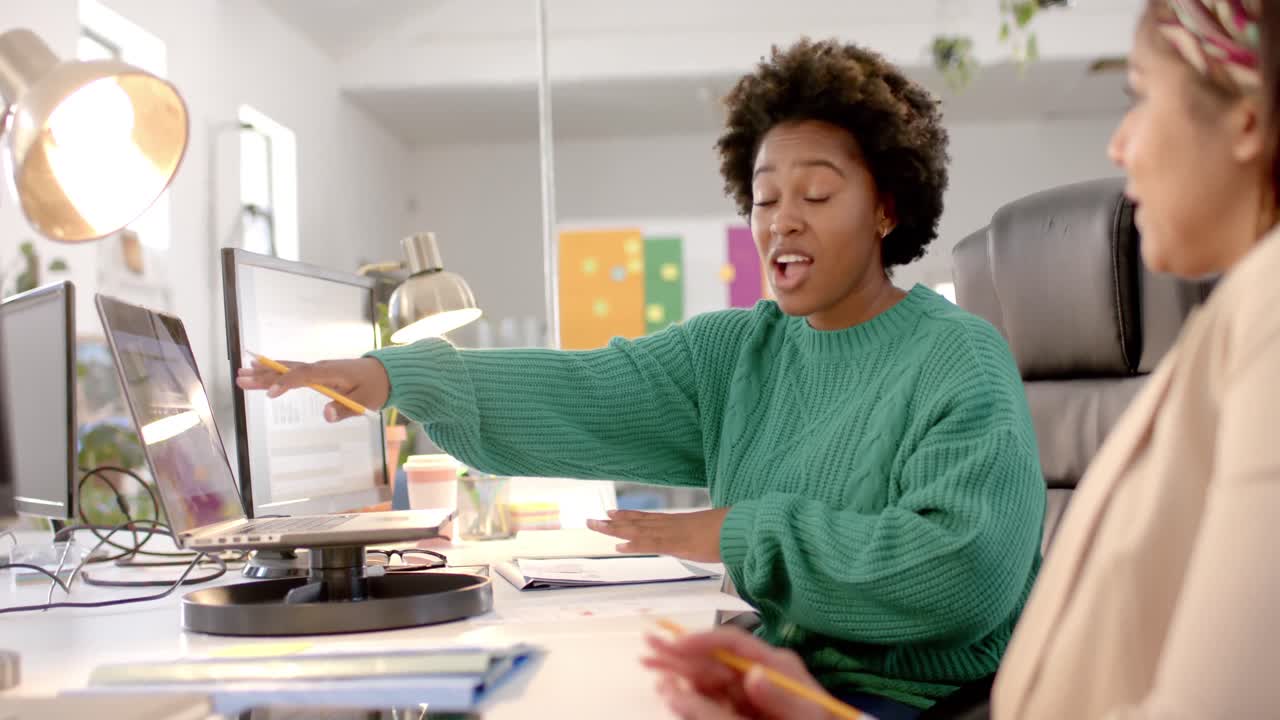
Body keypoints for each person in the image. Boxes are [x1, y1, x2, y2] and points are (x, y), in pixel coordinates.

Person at [237, 38, 1045, 718]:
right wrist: (393, 377)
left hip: (902, 703)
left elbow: (962, 574)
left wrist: (742, 533)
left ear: (885, 209)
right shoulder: (736, 354)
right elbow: (583, 390)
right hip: (770, 677)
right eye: (764, 199)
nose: (782, 221)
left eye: (817, 194)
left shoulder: (958, 358)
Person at [641, 1, 1280, 718]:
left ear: (1245, 122)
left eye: (1140, 98)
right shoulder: (1233, 322)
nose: (1119, 143)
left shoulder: (1268, 328)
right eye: (765, 198)